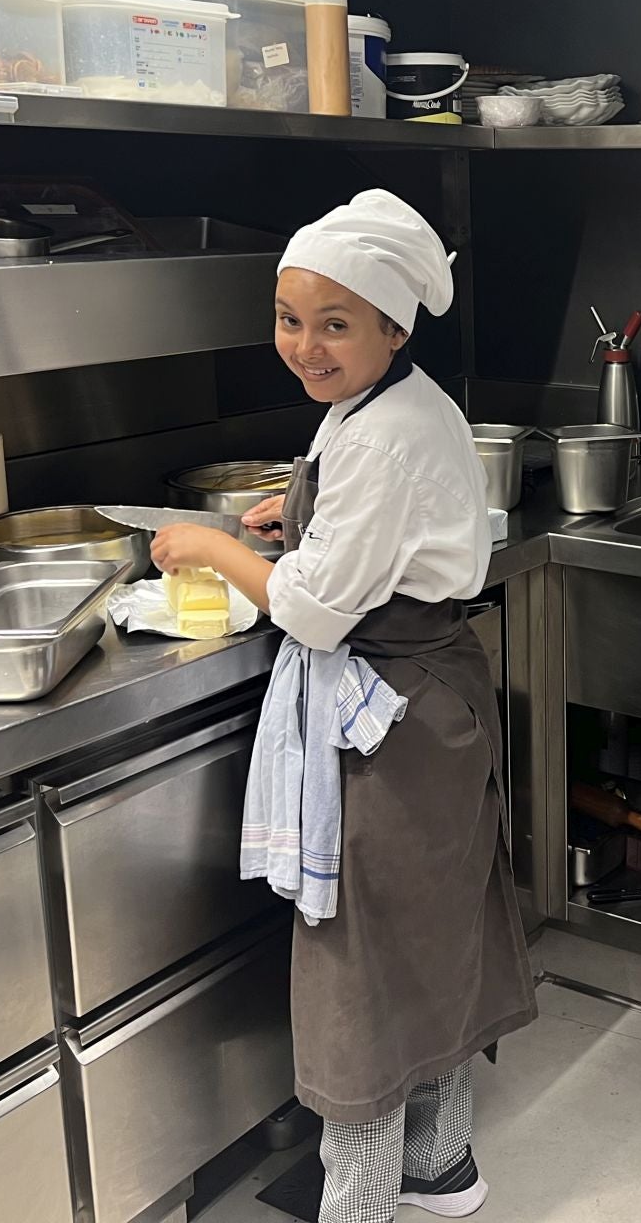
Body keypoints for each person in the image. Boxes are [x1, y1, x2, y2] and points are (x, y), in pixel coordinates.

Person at [150, 190, 536, 1223]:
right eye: (290, 317)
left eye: (335, 324)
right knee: (438, 938)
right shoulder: (390, 404)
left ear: (393, 328)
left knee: (361, 970)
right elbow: (382, 515)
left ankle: (356, 1206)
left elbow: (315, 613)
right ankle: (443, 1162)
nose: (306, 346)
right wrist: (298, 506)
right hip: (432, 703)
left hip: (393, 717)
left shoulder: (384, 433)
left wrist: (212, 547)